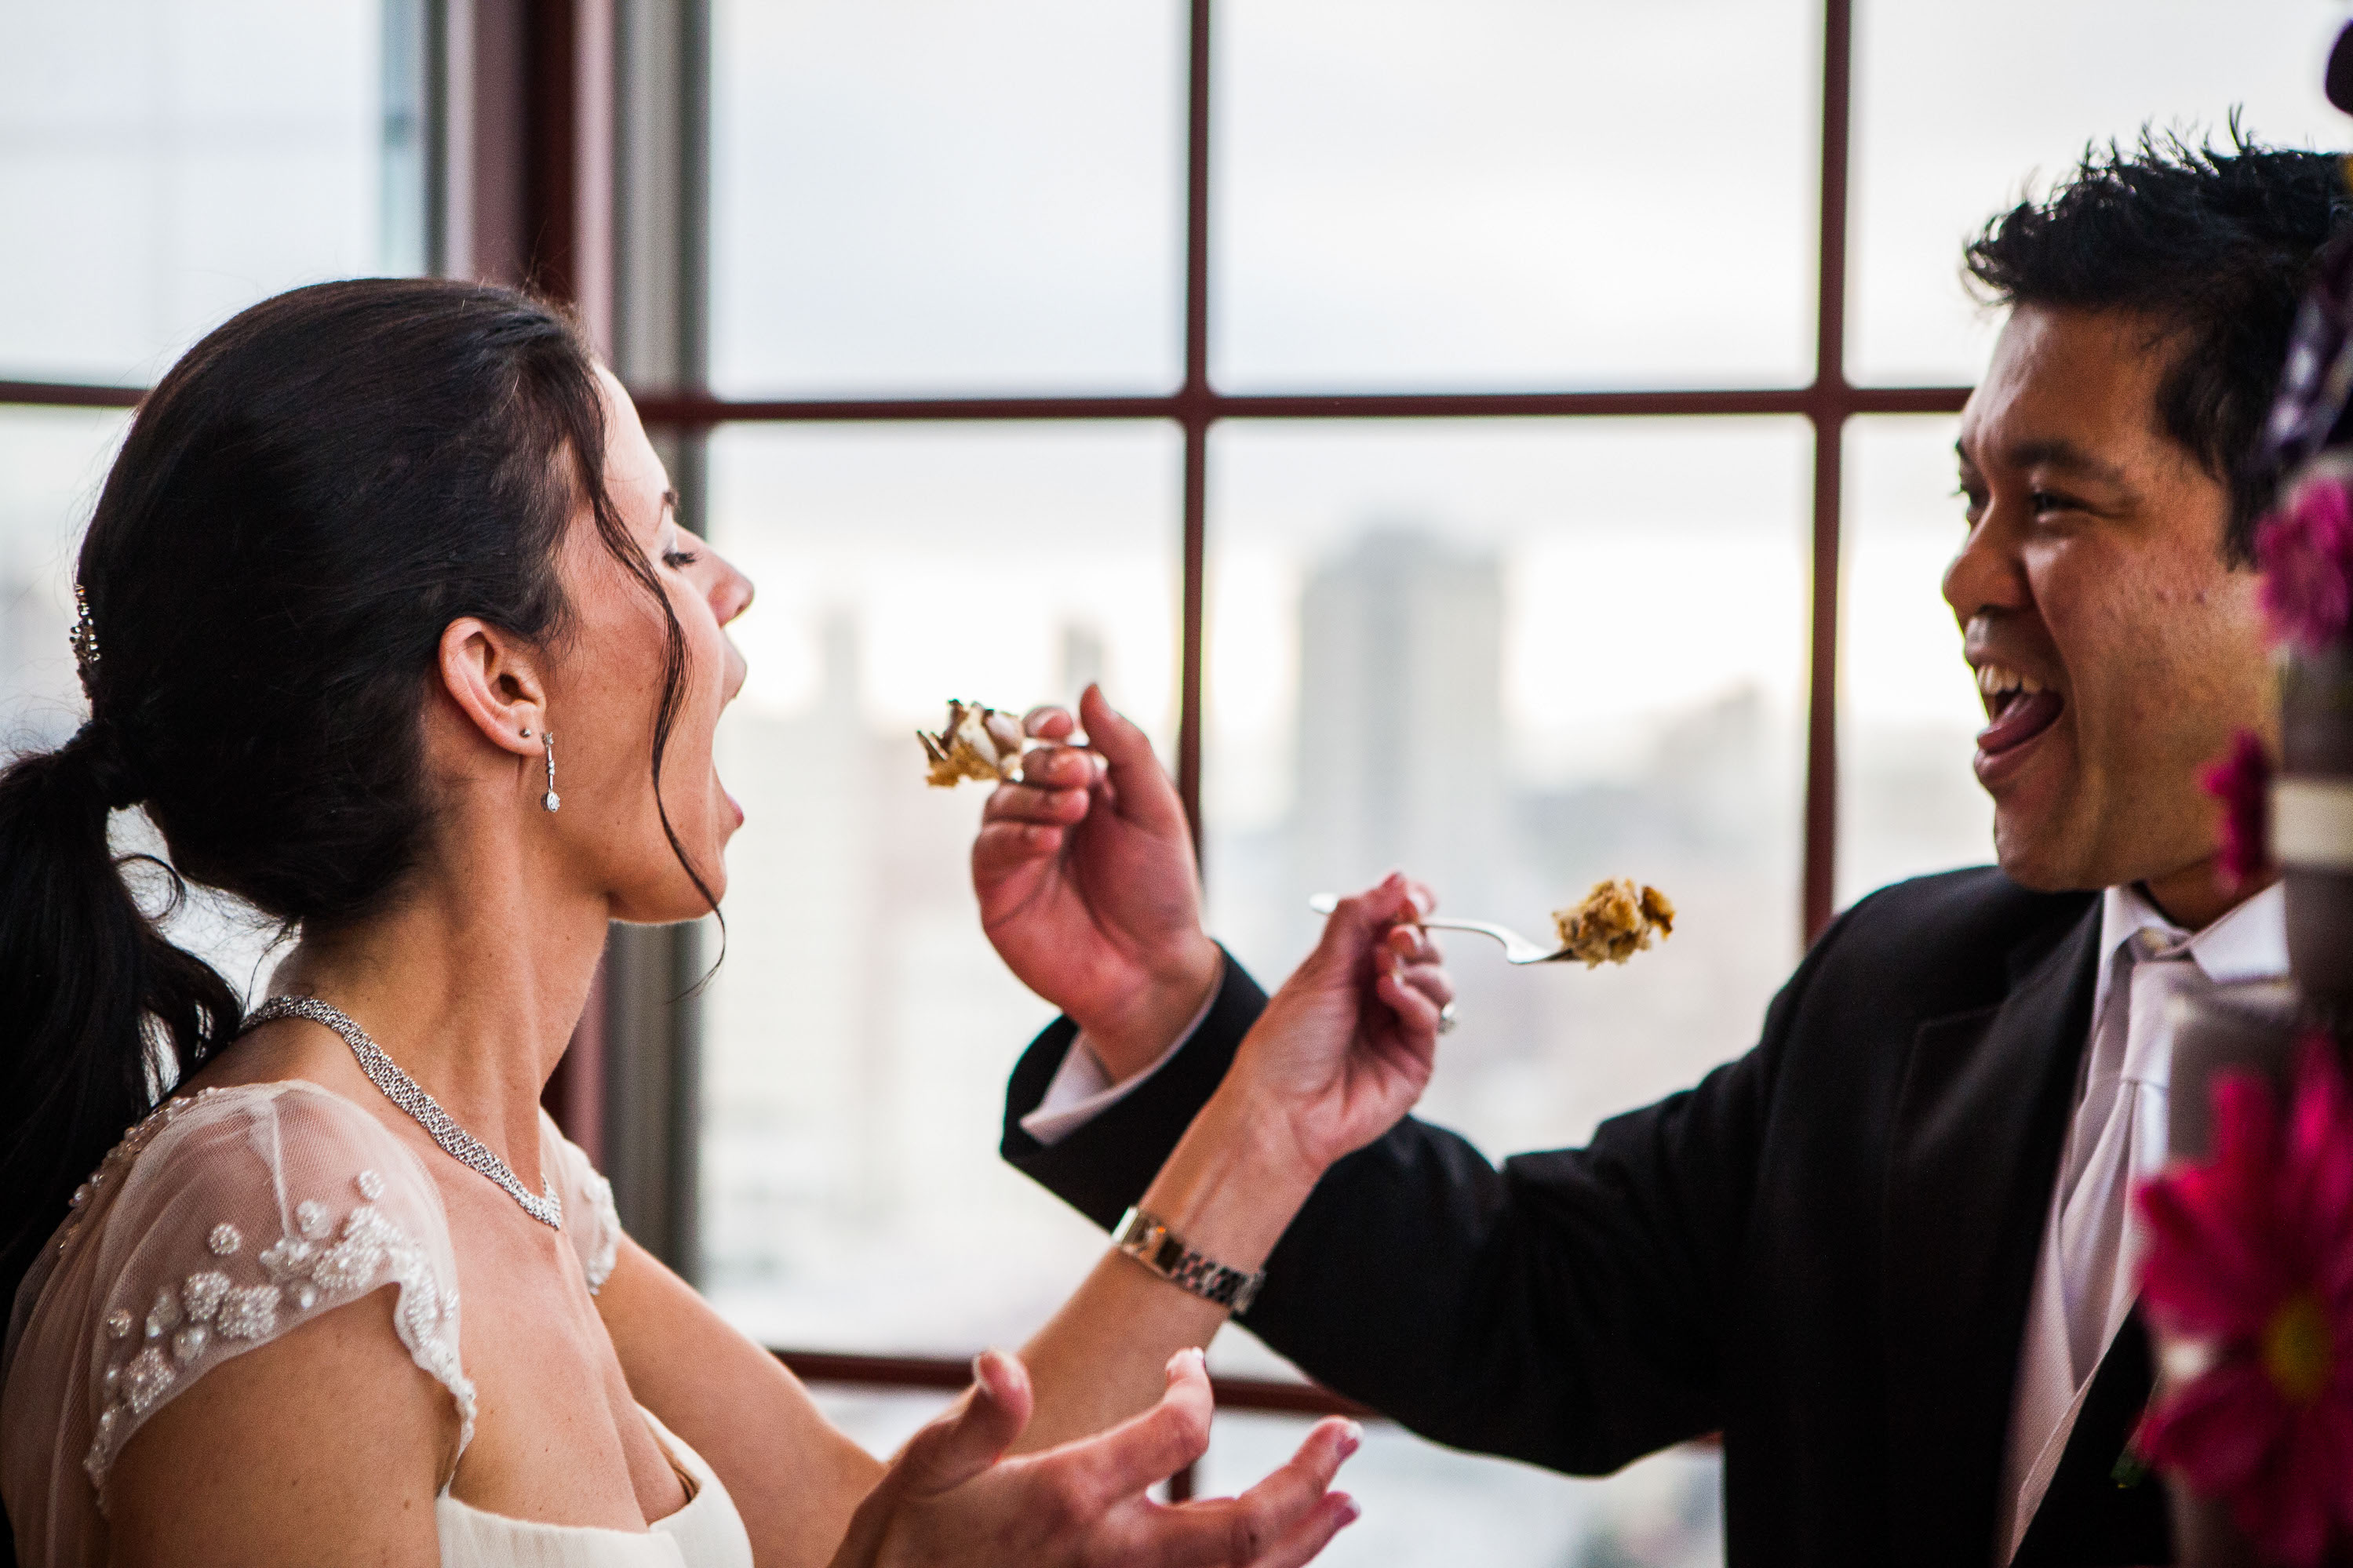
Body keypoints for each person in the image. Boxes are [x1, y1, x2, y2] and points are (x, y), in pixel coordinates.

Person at [969, 134, 2349, 1567]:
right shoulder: (1899, 986)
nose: (1962, 576)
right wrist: (1165, 1011)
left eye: (2054, 502)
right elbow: (1531, 1306)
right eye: (1971, 499)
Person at [0, 278, 1448, 1568]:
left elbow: (867, 1532)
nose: (731, 583)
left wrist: (1274, 1118)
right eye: (666, 536)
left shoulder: (494, 1178)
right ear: (500, 681)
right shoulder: (296, 1208)